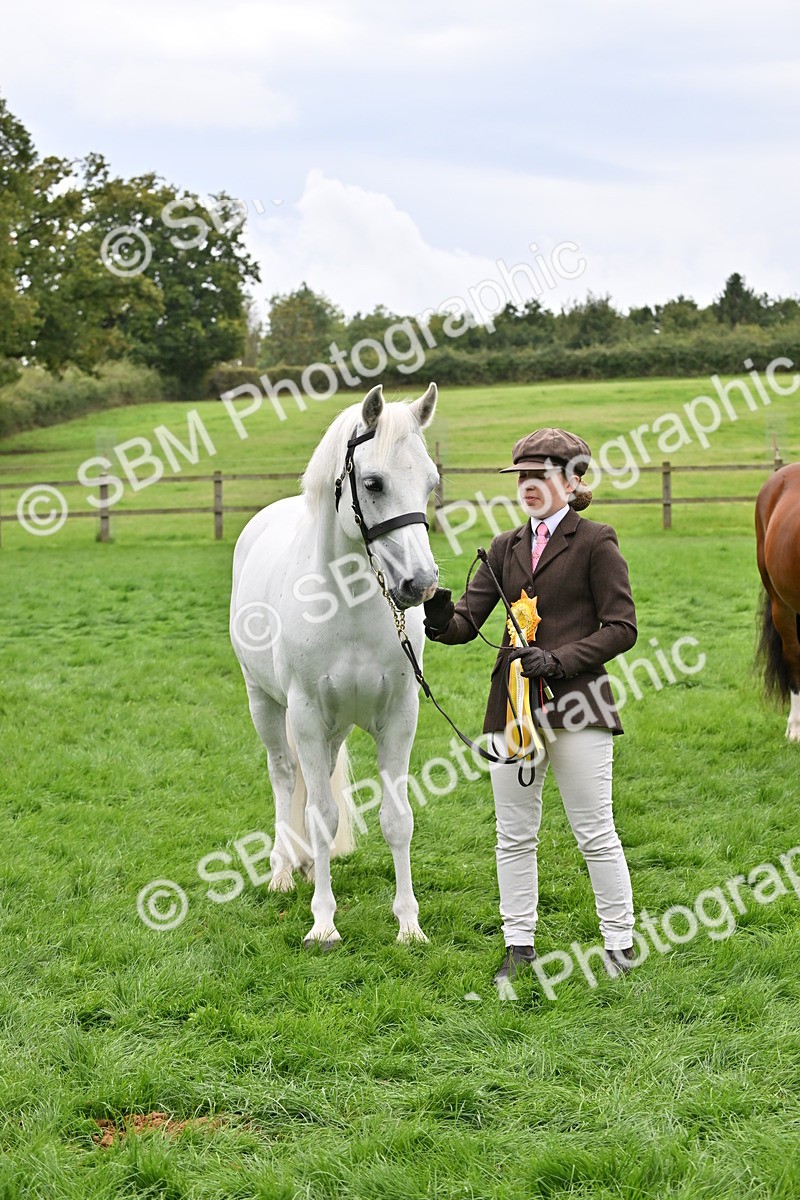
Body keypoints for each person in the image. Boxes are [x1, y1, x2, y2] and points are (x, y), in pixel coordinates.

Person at [423, 428, 638, 985]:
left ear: (573, 479)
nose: (529, 485)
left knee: (595, 831)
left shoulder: (596, 541)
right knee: (514, 835)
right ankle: (518, 945)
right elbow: (466, 623)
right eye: (522, 475)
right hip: (512, 708)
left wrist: (560, 660)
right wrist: (438, 615)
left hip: (579, 703)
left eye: (541, 475)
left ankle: (619, 943)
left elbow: (622, 627)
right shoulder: (504, 547)